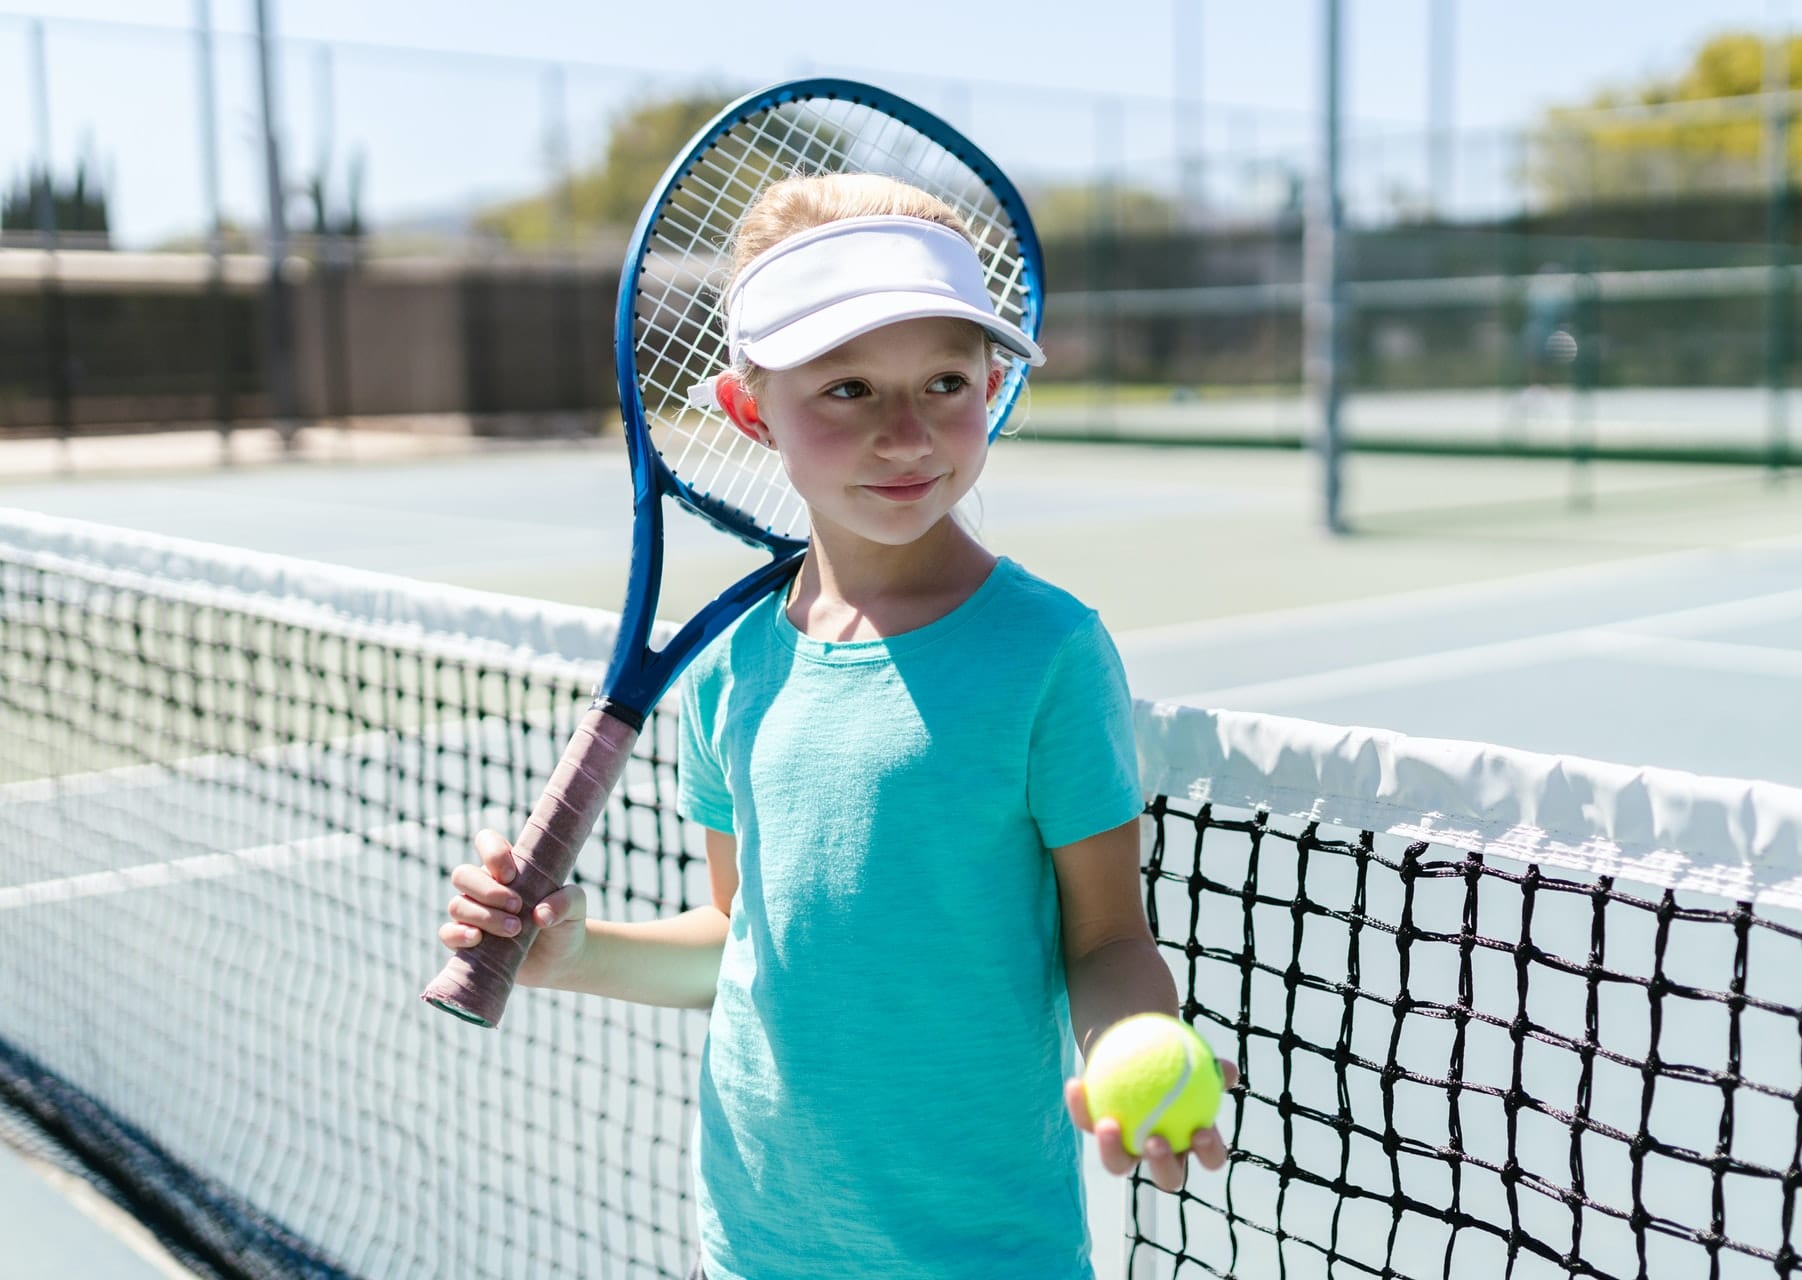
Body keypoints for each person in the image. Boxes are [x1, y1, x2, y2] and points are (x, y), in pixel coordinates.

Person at [439, 173, 1234, 1280]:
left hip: (985, 1251)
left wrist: (1129, 1052)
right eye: (848, 386)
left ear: (994, 385)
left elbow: (1104, 938)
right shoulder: (730, 671)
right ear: (751, 409)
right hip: (760, 1238)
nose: (905, 432)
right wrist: (575, 951)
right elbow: (737, 936)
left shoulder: (1048, 653)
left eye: (944, 381)